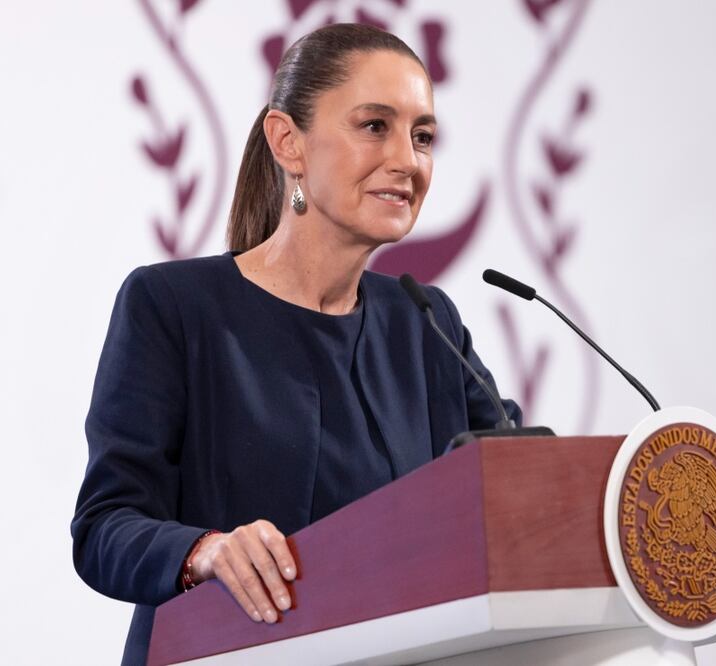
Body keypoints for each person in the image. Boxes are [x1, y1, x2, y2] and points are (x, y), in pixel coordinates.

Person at [71, 24, 520, 666]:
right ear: (288, 142)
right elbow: (104, 528)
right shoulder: (172, 306)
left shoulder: (427, 324)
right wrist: (205, 550)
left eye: (422, 137)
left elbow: (514, 486)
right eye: (374, 126)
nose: (408, 160)